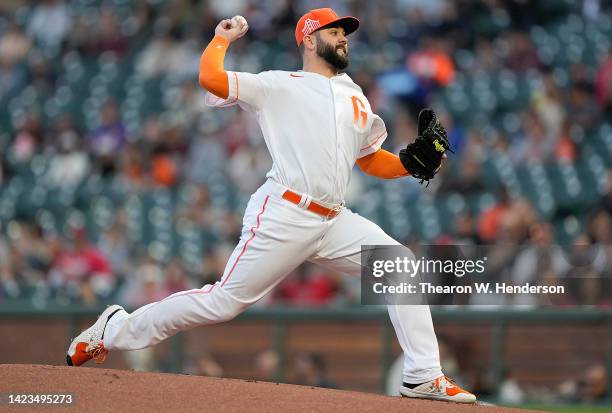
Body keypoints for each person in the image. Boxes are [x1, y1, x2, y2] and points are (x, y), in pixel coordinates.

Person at [66, 8, 475, 403]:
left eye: (344, 32)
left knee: (399, 265)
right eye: (334, 32)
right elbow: (210, 77)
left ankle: (423, 376)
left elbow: (369, 160)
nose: (343, 38)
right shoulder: (279, 84)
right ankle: (114, 328)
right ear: (310, 40)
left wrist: (407, 164)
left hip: (334, 219)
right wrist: (221, 39)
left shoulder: (355, 96)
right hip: (286, 213)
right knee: (222, 302)